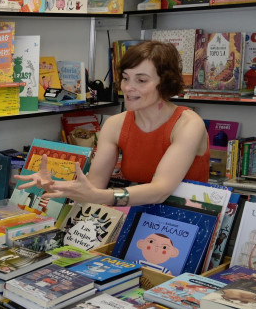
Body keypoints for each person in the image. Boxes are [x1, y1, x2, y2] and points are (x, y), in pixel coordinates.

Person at [17, 41, 210, 207]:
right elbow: (94, 186)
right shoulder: (115, 124)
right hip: (139, 217)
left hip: (189, 219)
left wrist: (102, 196)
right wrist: (57, 185)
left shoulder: (188, 124)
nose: (128, 87)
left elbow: (160, 191)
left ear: (165, 83)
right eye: (125, 78)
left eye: (141, 80)